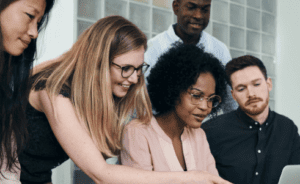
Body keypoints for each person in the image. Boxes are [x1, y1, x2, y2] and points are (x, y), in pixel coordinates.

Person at [19, 15, 231, 184]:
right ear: (99, 61)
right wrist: (190, 177)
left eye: (139, 69)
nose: (134, 78)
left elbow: (36, 168)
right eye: (126, 68)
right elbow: (101, 174)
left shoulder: (96, 97)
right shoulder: (51, 89)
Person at [121, 42, 231, 184]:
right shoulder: (137, 132)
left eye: (211, 99)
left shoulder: (199, 135)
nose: (205, 106)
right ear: (173, 90)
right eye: (196, 96)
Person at [201, 55, 300, 184]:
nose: (251, 94)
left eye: (257, 84)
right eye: (241, 89)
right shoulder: (210, 131)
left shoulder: (287, 128)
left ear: (269, 84)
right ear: (234, 95)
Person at [145, 0, 237, 114]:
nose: (198, 15)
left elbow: (230, 103)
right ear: (176, 7)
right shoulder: (153, 48)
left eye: (205, 9)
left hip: (207, 132)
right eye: (191, 7)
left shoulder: (219, 50)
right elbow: (140, 102)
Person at [0, 0, 56, 182]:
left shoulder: (10, 85)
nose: (34, 33)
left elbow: (8, 172)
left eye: (38, 22)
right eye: (30, 16)